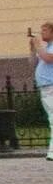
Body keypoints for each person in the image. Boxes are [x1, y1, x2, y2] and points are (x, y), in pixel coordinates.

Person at [33, 24, 53, 160]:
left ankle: (52, 152)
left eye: (45, 30)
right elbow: (33, 61)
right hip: (45, 88)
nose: (42, 32)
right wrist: (32, 48)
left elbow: (48, 59)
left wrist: (38, 46)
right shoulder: (46, 47)